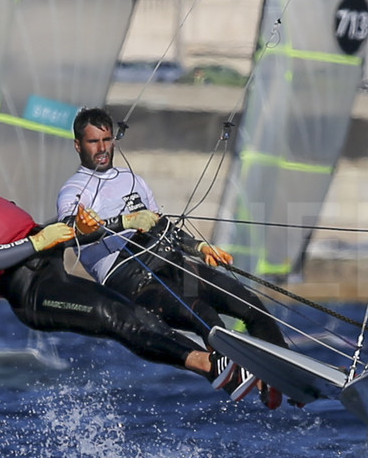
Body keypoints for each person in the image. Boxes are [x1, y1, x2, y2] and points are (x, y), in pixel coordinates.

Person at [0, 139, 224, 385]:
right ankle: (206, 365)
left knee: (133, 311)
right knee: (116, 317)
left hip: (52, 271)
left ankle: (219, 366)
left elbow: (55, 236)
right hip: (31, 292)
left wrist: (120, 223)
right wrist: (37, 241)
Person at [55, 109, 288, 403]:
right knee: (203, 314)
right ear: (78, 145)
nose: (102, 148)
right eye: (93, 142)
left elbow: (162, 224)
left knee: (248, 301)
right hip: (133, 281)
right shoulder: (75, 190)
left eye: (107, 139)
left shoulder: (133, 180)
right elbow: (66, 229)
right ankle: (243, 380)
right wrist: (115, 224)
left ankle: (287, 373)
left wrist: (201, 248)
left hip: (171, 262)